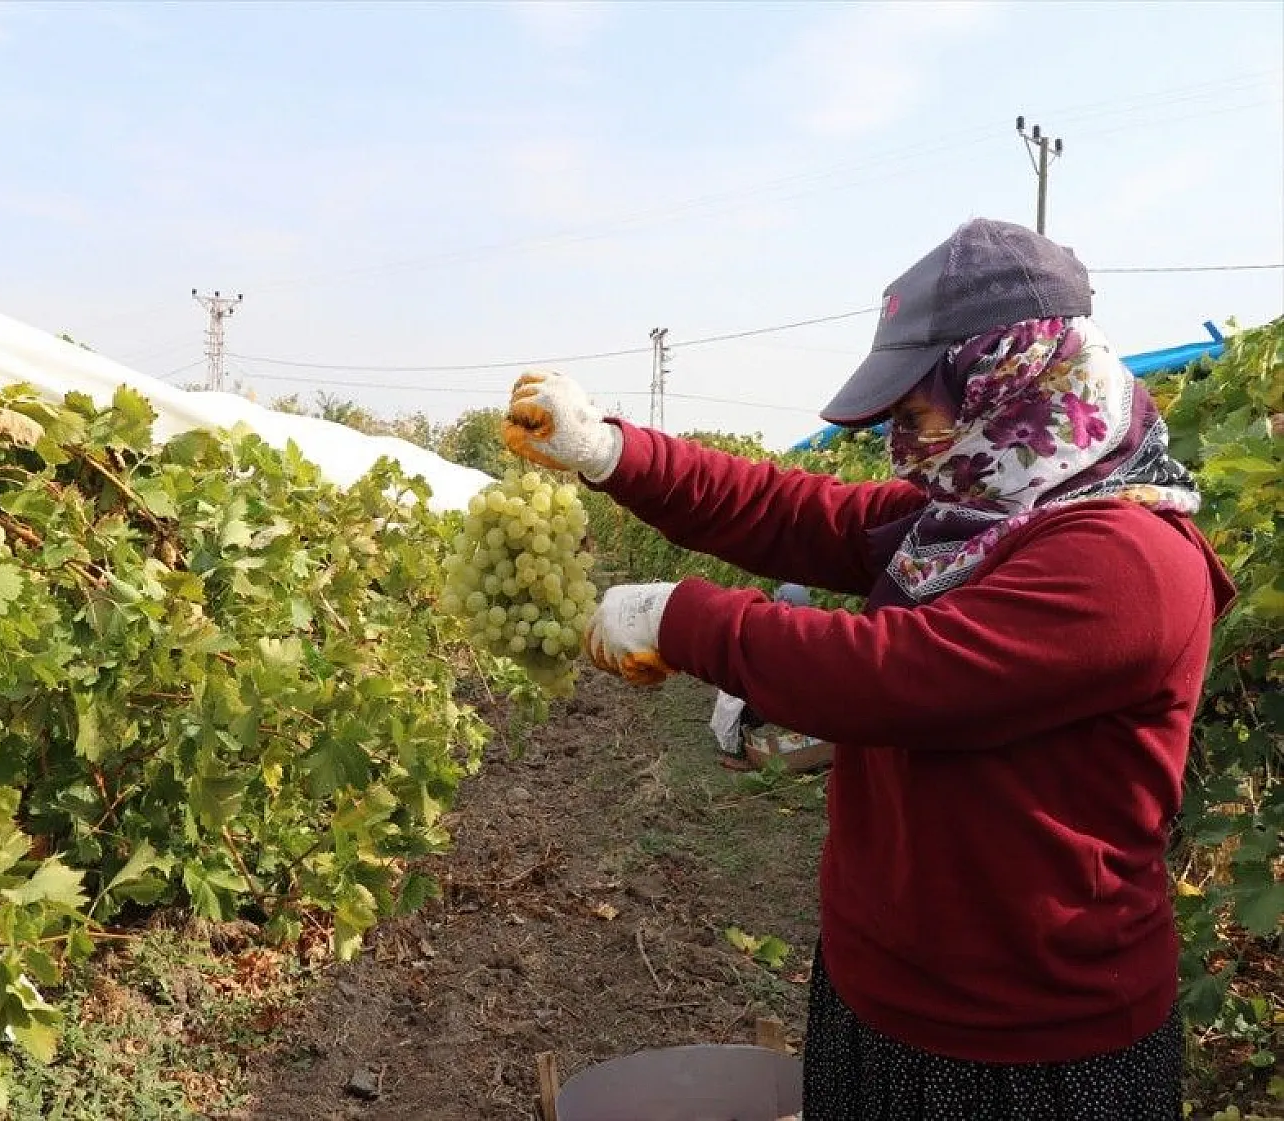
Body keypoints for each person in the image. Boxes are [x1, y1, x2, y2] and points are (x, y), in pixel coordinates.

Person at [499, 217, 1234, 1120]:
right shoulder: (977, 511)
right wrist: (616, 452)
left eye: (915, 414)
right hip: (877, 989)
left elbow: (903, 675)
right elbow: (800, 511)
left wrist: (679, 616)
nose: (902, 447)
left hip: (1031, 1047)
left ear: (1009, 380)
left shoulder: (1127, 560)